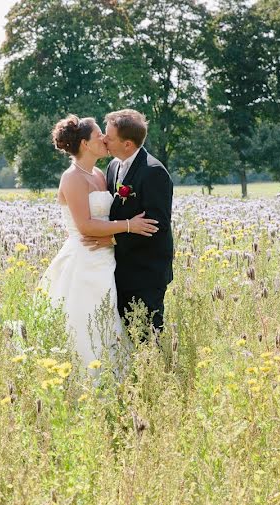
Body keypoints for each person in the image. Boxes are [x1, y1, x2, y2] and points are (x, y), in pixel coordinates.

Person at [40, 114, 158, 365]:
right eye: (98, 136)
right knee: (87, 317)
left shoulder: (100, 174)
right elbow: (84, 226)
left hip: (108, 256)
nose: (104, 138)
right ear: (85, 143)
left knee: (110, 315)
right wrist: (129, 226)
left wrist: (118, 237)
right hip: (85, 257)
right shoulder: (72, 178)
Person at [84, 109, 174, 334]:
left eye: (110, 137)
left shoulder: (153, 172)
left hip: (147, 269)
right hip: (120, 267)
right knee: (126, 332)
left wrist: (113, 238)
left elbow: (156, 226)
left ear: (127, 144)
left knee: (148, 333)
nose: (104, 139)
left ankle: (156, 369)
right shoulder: (114, 165)